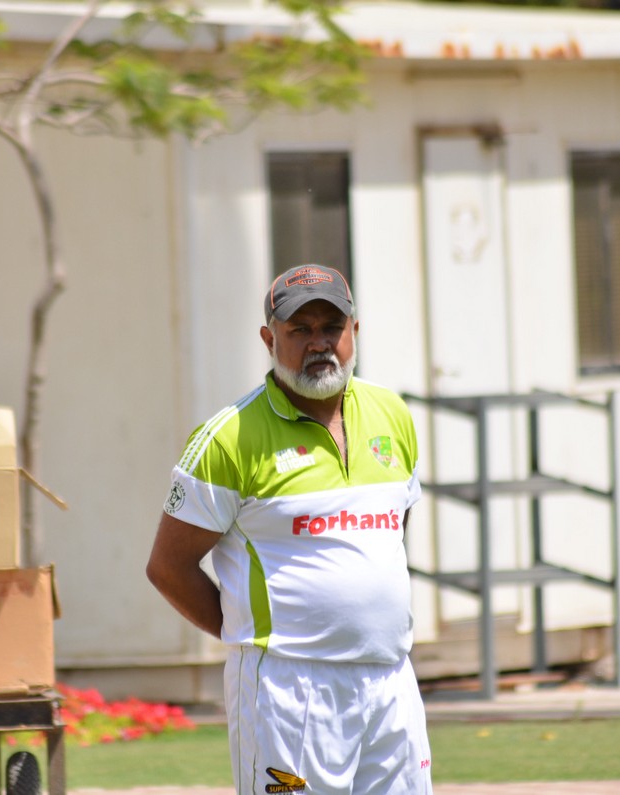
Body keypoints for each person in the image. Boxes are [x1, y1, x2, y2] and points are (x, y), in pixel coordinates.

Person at [146, 263, 433, 794]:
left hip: (391, 677)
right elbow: (168, 568)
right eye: (300, 329)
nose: (319, 343)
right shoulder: (227, 437)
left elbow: (394, 530)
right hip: (289, 689)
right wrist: (250, 636)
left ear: (354, 331)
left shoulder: (392, 414)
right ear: (269, 339)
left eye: (332, 327)